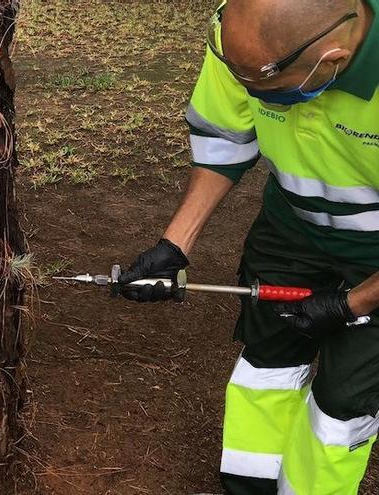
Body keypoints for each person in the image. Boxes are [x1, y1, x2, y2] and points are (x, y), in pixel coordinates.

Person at [116, 0, 379, 493]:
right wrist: (173, 246)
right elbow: (224, 142)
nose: (256, 98)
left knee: (344, 400)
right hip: (291, 230)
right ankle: (248, 485)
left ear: (333, 60)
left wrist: (351, 304)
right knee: (267, 363)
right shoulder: (242, 40)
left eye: (274, 95)